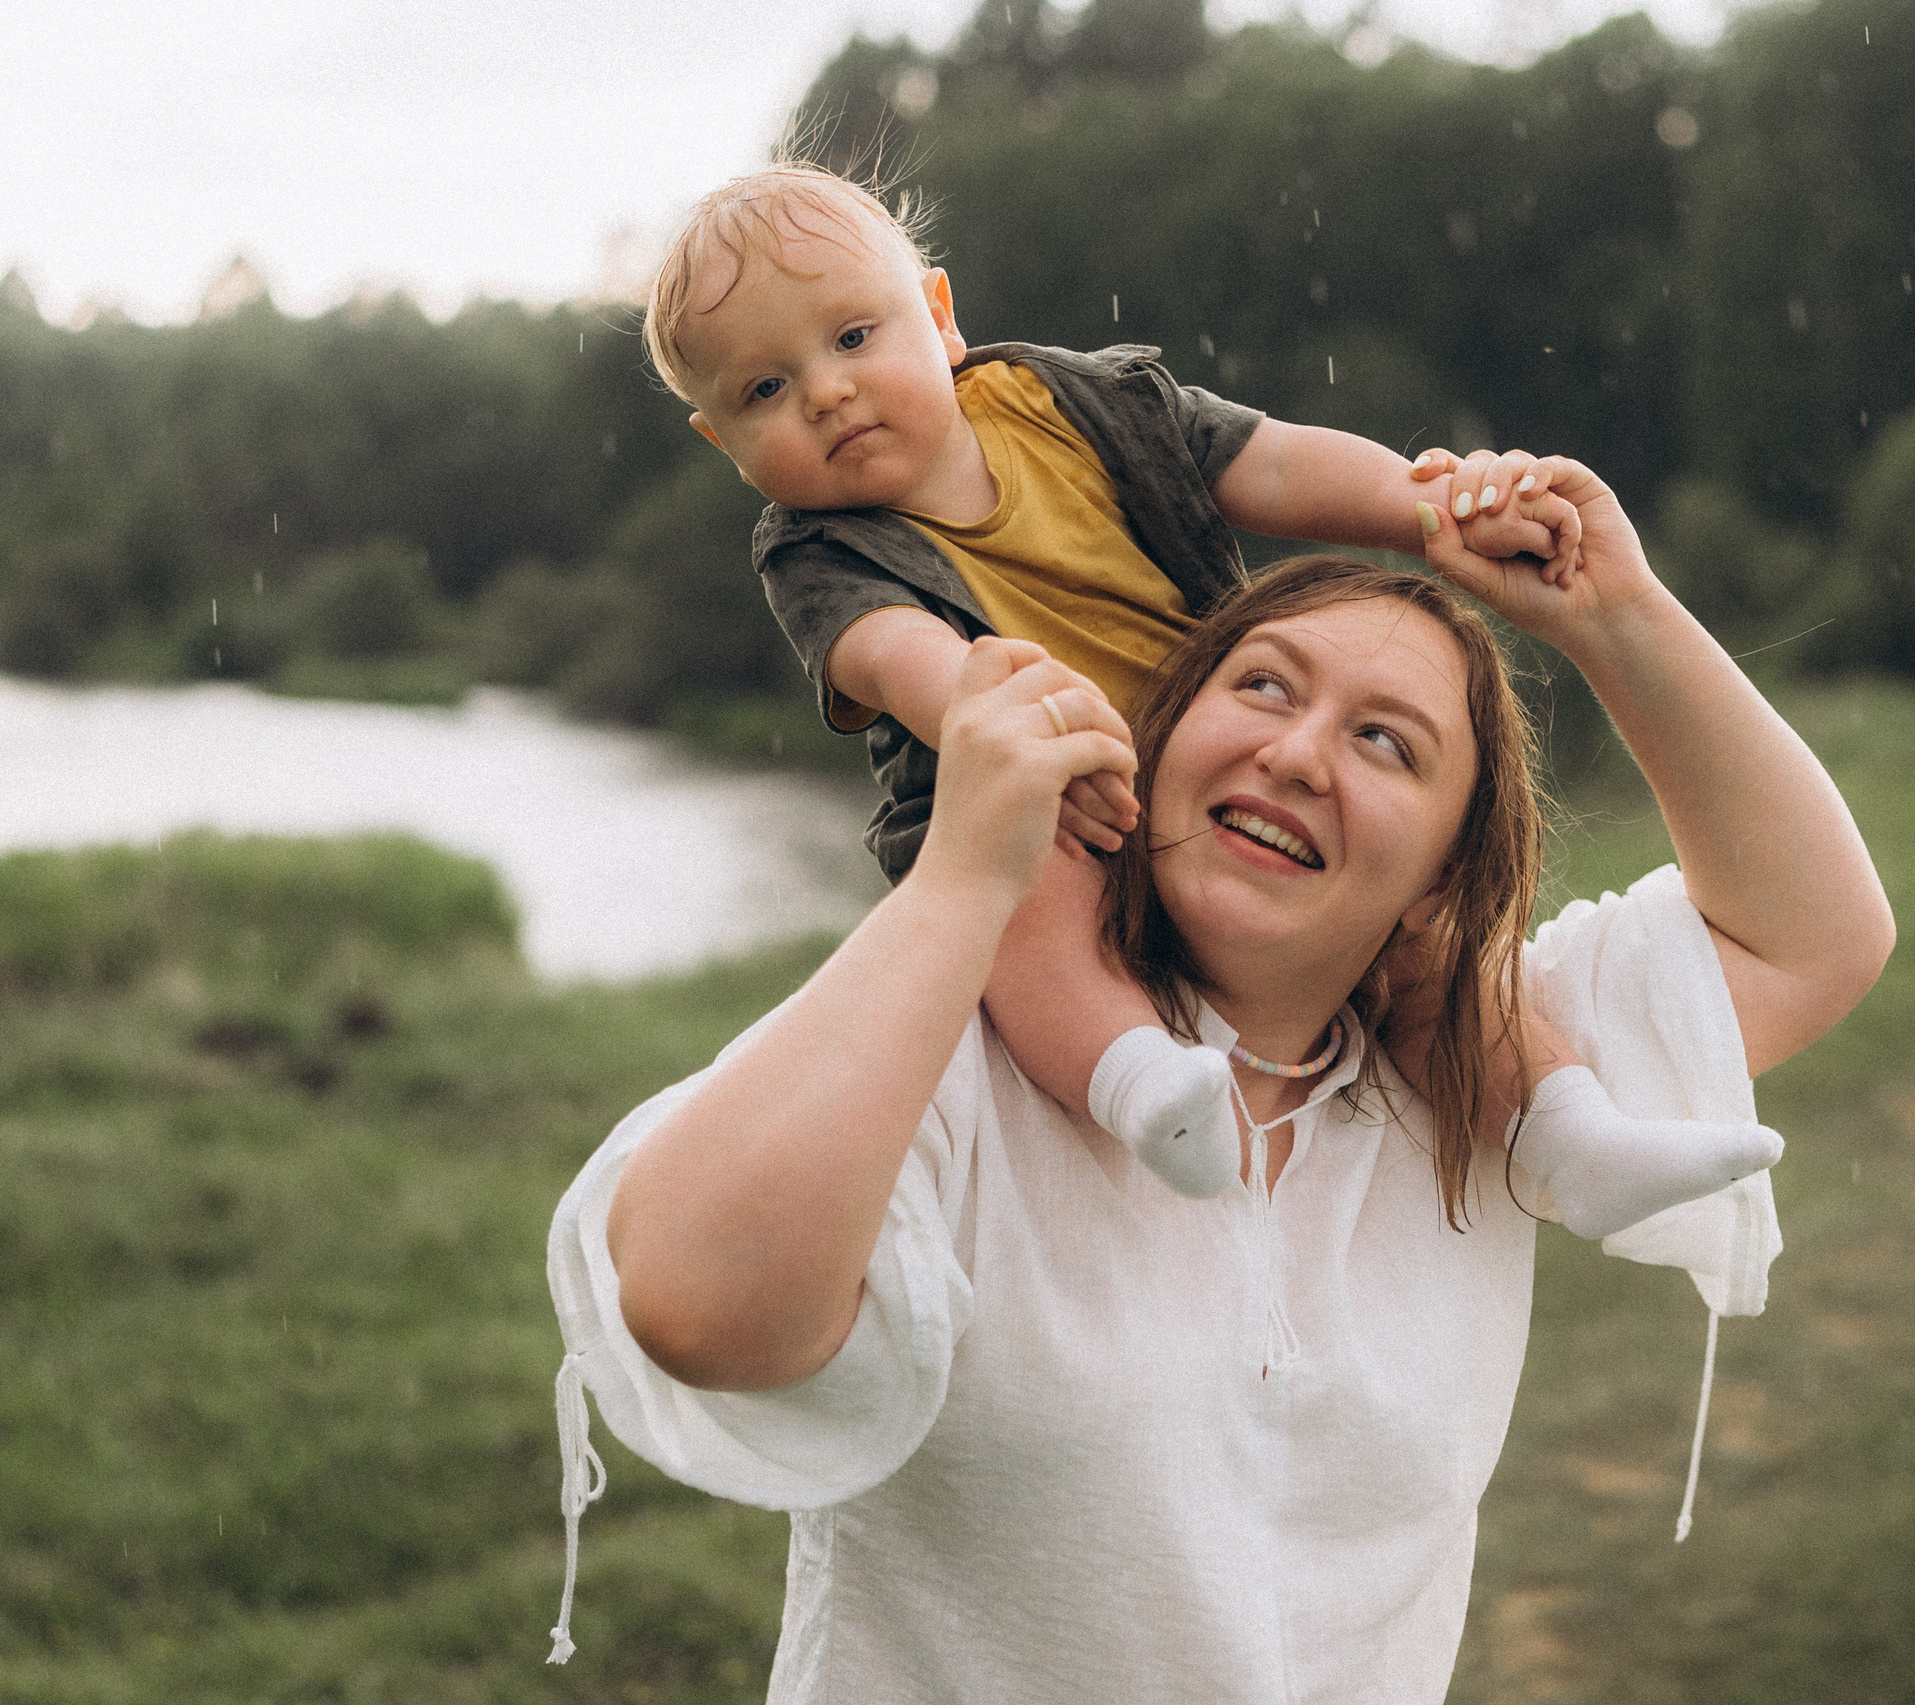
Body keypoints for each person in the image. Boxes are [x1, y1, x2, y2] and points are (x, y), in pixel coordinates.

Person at [545, 459, 1896, 1698]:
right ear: (1156, 739)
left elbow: (1816, 937)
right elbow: (699, 1303)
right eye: (1261, 686)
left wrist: (1618, 615)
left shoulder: (1482, 1075)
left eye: (1387, 743)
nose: (1299, 753)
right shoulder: (955, 1044)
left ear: (1441, 868)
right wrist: (965, 877)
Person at [638, 164, 1778, 1238]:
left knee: (1420, 945)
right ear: (721, 439)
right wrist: (1023, 744)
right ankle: (1139, 1082)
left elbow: (1265, 463)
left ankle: (1569, 1136)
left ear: (938, 314)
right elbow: (899, 660)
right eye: (765, 389)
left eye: (851, 336)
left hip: (1213, 768)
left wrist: (1425, 506)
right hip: (1044, 801)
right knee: (1023, 901)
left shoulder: (1070, 402)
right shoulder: (813, 550)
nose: (827, 391)